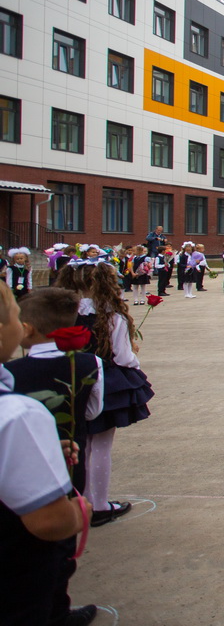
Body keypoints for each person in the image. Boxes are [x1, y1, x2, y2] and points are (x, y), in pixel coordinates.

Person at [0, 281, 98, 626]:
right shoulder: (16, 414)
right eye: (12, 313)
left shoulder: (12, 378)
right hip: (16, 557)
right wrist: (78, 512)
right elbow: (49, 521)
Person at [76, 262, 153, 527]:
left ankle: (82, 501)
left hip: (76, 380)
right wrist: (134, 357)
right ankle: (99, 505)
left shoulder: (69, 313)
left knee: (81, 443)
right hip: (105, 381)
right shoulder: (112, 315)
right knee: (101, 445)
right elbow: (121, 356)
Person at [8, 287, 104, 494]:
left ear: (27, 328)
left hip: (25, 459)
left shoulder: (9, 371)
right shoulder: (91, 363)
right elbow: (92, 411)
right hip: (72, 452)